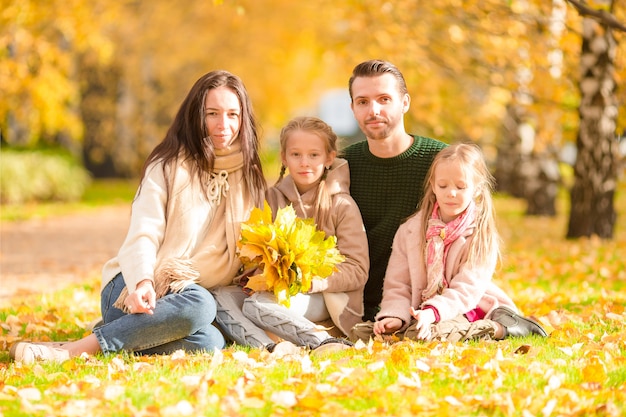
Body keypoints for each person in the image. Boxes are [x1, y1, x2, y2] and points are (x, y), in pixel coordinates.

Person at [10, 70, 268, 364]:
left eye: (233, 114)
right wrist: (142, 281)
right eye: (213, 113)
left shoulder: (249, 178)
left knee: (210, 340)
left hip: (183, 302)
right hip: (135, 288)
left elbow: (248, 242)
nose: (223, 125)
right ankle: (73, 352)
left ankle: (104, 338)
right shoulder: (168, 165)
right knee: (200, 306)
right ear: (197, 116)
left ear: (243, 119)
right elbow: (144, 231)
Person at [351, 143, 548, 343]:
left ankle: (500, 328)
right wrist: (394, 316)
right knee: (362, 332)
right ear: (433, 186)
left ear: (477, 189)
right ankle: (409, 331)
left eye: (460, 187)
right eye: (443, 186)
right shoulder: (410, 231)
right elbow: (398, 284)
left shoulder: (480, 234)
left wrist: (432, 312)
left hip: (468, 308)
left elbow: (467, 290)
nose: (451, 193)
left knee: (428, 336)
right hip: (421, 312)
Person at [212, 116, 369, 349]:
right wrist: (256, 273)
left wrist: (313, 282)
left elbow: (357, 270)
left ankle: (323, 342)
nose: (304, 162)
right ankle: (271, 349)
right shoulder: (270, 198)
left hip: (325, 295)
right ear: (284, 157)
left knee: (257, 306)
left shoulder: (342, 205)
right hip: (274, 292)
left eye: (313, 155)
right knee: (219, 297)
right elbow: (258, 248)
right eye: (296, 155)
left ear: (329, 158)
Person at [341, 59, 448, 321]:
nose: (373, 110)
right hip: (354, 300)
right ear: (353, 108)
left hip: (424, 300)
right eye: (363, 101)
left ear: (405, 103)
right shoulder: (343, 166)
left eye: (384, 99)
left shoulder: (440, 161)